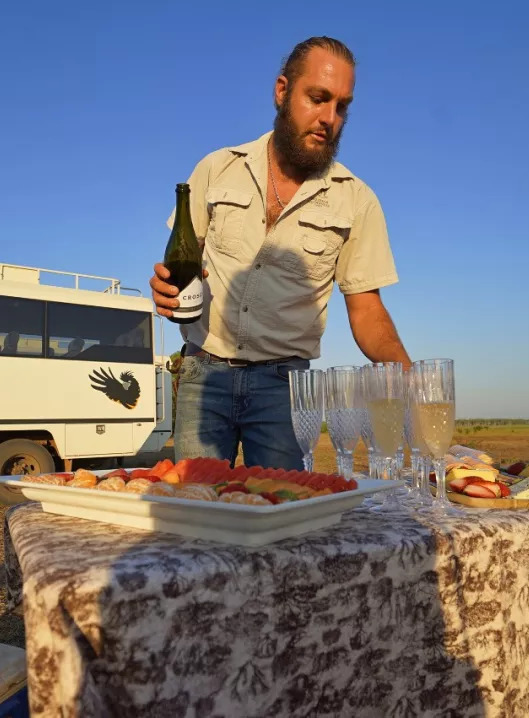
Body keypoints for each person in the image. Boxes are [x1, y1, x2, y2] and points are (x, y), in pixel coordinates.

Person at [150, 36, 411, 470]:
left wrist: (414, 382)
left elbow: (366, 310)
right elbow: (181, 266)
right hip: (203, 375)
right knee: (196, 517)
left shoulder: (357, 200)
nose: (330, 118)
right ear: (282, 90)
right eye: (318, 98)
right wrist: (164, 288)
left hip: (284, 390)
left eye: (342, 106)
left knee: (279, 517)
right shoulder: (216, 168)